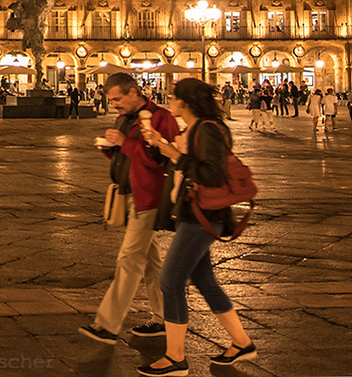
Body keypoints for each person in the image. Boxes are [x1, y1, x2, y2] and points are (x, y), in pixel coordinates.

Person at [138, 78, 256, 375]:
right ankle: (241, 342)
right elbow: (178, 166)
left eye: (173, 96)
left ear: (185, 102)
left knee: (171, 281)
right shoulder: (191, 130)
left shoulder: (208, 130)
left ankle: (175, 356)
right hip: (192, 211)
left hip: (203, 214)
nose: (169, 100)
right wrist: (157, 146)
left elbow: (212, 175)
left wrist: (174, 153)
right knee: (204, 280)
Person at [79, 72, 180, 346]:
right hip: (131, 194)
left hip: (151, 198)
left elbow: (167, 159)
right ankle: (164, 318)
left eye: (117, 99)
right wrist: (110, 149)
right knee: (151, 263)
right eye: (111, 100)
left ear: (133, 92)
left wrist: (126, 144)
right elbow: (128, 155)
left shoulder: (161, 118)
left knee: (129, 258)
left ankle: (107, 325)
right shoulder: (125, 119)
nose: (114, 105)